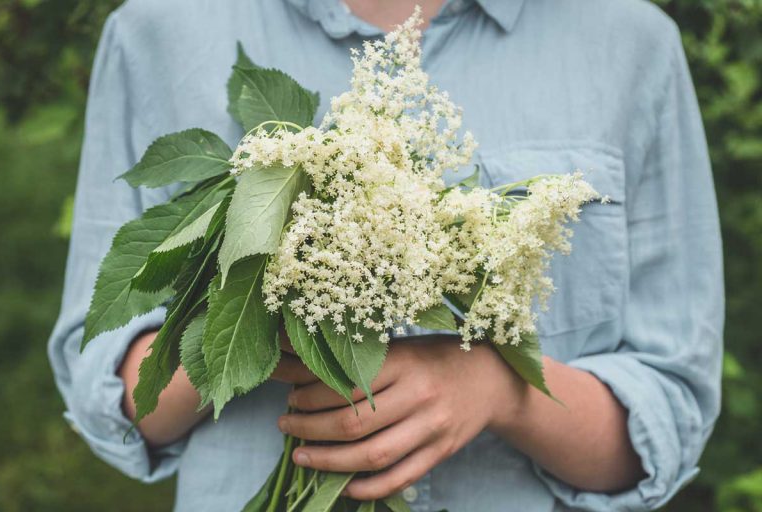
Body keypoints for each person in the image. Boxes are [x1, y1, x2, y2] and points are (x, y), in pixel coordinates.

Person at [47, 0, 724, 510]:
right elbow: (106, 373)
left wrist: (501, 392)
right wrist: (265, 298)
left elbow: (670, 406)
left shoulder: (629, 41)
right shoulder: (160, 28)